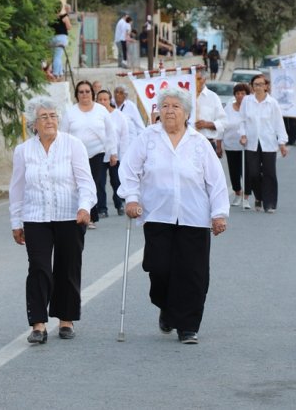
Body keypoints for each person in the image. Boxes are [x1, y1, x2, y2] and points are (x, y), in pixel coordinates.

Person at [119, 87, 229, 344]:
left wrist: (219, 214)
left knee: (193, 273)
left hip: (194, 217)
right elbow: (129, 170)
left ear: (187, 113)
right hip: (158, 215)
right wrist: (132, 198)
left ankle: (188, 326)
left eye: (175, 106)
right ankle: (166, 307)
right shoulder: (148, 138)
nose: (169, 110)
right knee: (159, 269)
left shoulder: (199, 142)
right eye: (165, 106)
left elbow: (215, 181)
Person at [9, 96, 97, 343]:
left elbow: (85, 182)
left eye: (53, 116)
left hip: (70, 216)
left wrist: (84, 207)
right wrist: (16, 222)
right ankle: (38, 324)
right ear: (33, 124)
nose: (49, 121)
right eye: (43, 117)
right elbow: (17, 189)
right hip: (36, 217)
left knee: (67, 267)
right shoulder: (23, 151)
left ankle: (66, 319)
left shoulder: (73, 145)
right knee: (39, 268)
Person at [60, 81, 117, 227]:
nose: (84, 94)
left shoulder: (101, 110)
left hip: (98, 152)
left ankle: (91, 216)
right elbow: (62, 135)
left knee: (93, 183)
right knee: (79, 184)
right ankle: (80, 212)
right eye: (81, 92)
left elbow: (110, 132)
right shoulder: (70, 112)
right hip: (75, 155)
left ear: (92, 93)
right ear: (77, 95)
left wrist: (113, 153)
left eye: (87, 91)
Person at [239, 74, 289, 213]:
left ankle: (270, 203)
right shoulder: (247, 101)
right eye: (256, 84)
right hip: (251, 142)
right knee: (253, 173)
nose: (259, 87)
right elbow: (242, 120)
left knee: (269, 173)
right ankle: (259, 197)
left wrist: (282, 143)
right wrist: (242, 134)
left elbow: (279, 123)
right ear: (252, 86)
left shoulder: (272, 103)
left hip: (268, 142)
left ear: (266, 86)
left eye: (261, 84)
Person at [96, 90, 129, 215]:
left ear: (110, 100)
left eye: (105, 99)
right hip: (99, 153)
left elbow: (124, 136)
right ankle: (102, 208)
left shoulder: (118, 115)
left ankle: (119, 204)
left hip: (115, 155)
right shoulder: (95, 115)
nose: (103, 102)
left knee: (116, 181)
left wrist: (123, 155)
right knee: (100, 182)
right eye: (100, 99)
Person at [223, 83, 252, 209]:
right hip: (231, 144)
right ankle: (237, 193)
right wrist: (219, 143)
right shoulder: (228, 108)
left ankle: (246, 197)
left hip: (247, 146)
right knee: (234, 172)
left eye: (243, 93)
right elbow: (222, 125)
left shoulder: (251, 108)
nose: (240, 96)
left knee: (247, 172)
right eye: (238, 93)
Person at [195, 70, 227, 158]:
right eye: (193, 79)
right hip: (186, 145)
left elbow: (223, 122)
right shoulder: (184, 97)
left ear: (204, 79)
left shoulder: (213, 97)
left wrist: (207, 124)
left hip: (207, 143)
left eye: (198, 79)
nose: (195, 81)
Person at [50, 2, 71, 80]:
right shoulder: (64, 17)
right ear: (61, 8)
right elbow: (69, 27)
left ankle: (60, 73)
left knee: (56, 56)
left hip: (52, 38)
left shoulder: (50, 18)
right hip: (61, 38)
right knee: (58, 56)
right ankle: (55, 73)